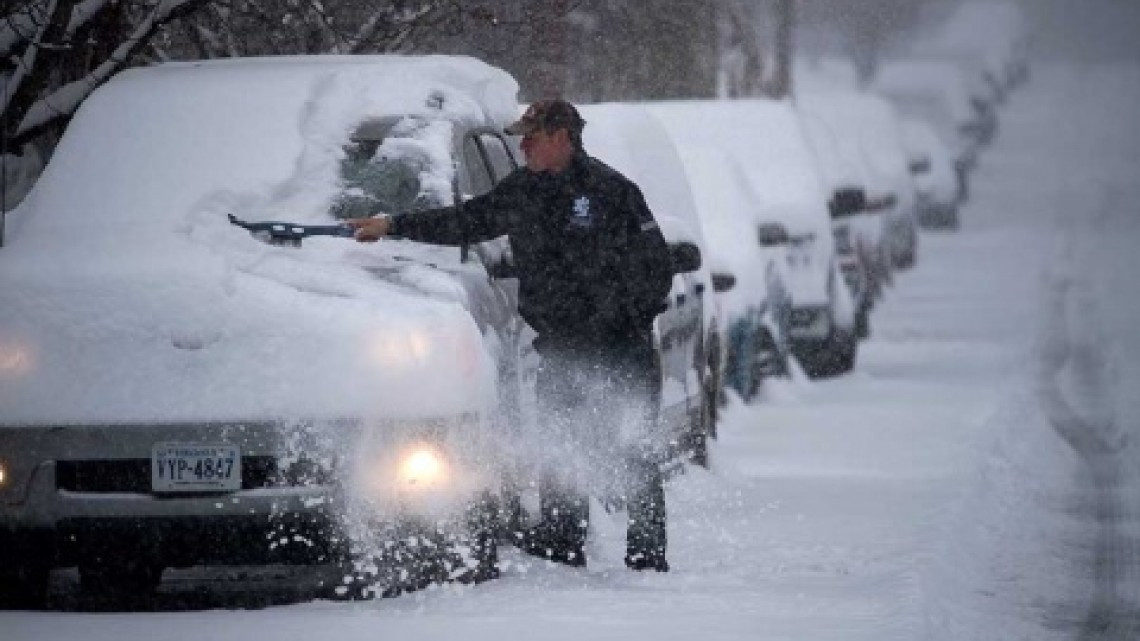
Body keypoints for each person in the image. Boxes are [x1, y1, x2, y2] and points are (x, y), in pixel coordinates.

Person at [345, 99, 675, 572]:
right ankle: (563, 546)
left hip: (620, 349)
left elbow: (656, 271)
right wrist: (393, 225)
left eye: (532, 138)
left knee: (629, 447)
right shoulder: (525, 191)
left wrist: (616, 319)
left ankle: (646, 561)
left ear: (561, 137)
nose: (522, 147)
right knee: (563, 445)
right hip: (562, 349)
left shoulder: (612, 191)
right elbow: (467, 220)